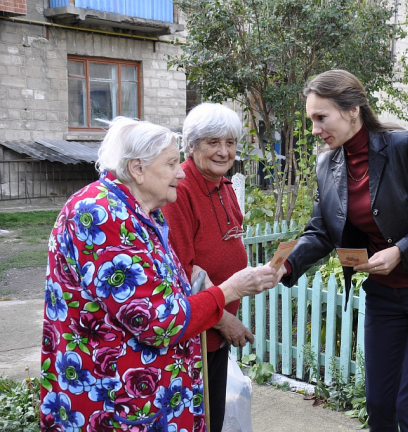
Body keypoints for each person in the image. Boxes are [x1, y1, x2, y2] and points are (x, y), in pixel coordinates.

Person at [40, 117, 280, 431]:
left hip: (147, 398)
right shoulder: (100, 214)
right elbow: (156, 322)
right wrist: (229, 290)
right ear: (138, 169)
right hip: (114, 403)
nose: (181, 172)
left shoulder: (141, 211)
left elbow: (163, 286)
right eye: (171, 164)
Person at [279, 69, 408, 432]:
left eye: (321, 118)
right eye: (311, 120)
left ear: (352, 110)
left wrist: (401, 251)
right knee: (380, 405)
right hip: (383, 298)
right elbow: (320, 230)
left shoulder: (402, 147)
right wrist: (284, 264)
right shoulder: (327, 164)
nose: (315, 129)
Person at [163, 102, 263, 432]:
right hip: (194, 337)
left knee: (214, 419)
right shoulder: (180, 191)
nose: (223, 151)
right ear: (191, 146)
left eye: (230, 143)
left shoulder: (223, 185)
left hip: (216, 335)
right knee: (201, 421)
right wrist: (225, 320)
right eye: (213, 142)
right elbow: (181, 273)